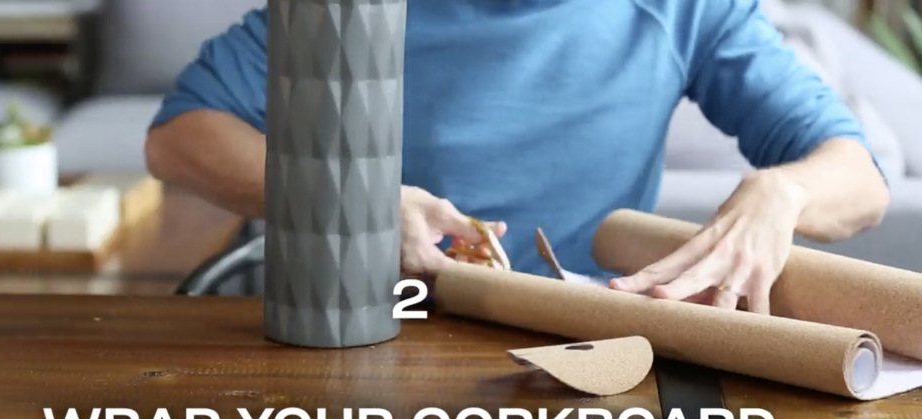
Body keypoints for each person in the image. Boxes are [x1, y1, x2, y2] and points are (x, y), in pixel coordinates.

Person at [145, 0, 890, 315]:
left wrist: (781, 194)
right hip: (379, 327)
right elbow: (180, 137)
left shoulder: (684, 9)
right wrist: (355, 199)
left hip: (592, 342)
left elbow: (858, 179)